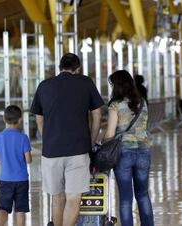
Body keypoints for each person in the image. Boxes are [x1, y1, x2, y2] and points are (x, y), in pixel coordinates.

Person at [31, 53, 104, 226]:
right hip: (78, 149)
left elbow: (39, 118)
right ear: (77, 68)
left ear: (59, 67)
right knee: (73, 198)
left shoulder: (44, 86)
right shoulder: (85, 82)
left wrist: (47, 137)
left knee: (57, 197)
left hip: (51, 152)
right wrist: (92, 140)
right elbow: (97, 114)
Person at [103, 70, 154, 226]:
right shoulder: (142, 102)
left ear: (117, 85)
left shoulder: (116, 105)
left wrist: (102, 142)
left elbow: (110, 133)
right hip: (144, 151)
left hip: (123, 153)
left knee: (125, 198)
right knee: (143, 195)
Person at [0, 105, 32, 226]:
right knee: (20, 209)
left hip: (6, 179)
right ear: (20, 120)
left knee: (3, 207)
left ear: (4, 119)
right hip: (21, 180)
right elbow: (28, 159)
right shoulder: (23, 138)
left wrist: (3, 157)